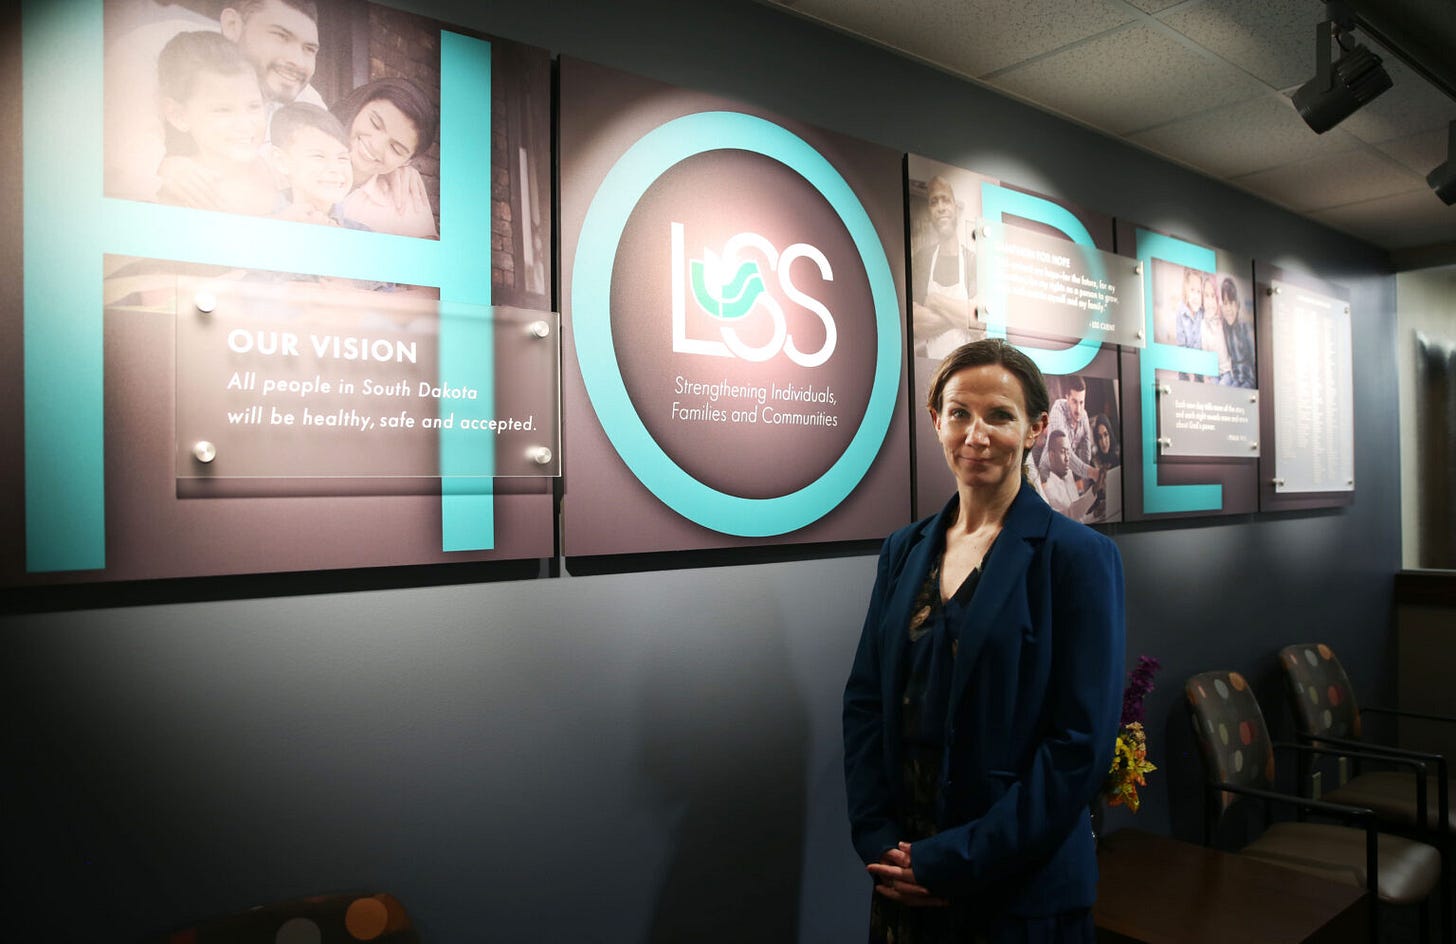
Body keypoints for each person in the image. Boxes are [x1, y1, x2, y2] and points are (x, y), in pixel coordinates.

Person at [844, 338, 1125, 944]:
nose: (976, 434)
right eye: (959, 413)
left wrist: (960, 859)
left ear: (1035, 428)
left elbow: (1078, 746)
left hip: (1017, 887)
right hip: (904, 875)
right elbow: (866, 703)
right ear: (936, 421)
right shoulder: (904, 551)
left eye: (1000, 415)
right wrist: (876, 840)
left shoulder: (1078, 559)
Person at [105, 0, 324, 206]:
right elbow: (132, 178)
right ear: (232, 25)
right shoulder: (148, 52)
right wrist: (162, 168)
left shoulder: (301, 95)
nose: (297, 60)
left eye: (309, 49)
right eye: (280, 36)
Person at [155, 31, 276, 216]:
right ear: (178, 115)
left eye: (254, 106)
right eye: (223, 110)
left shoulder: (284, 166)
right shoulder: (180, 193)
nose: (244, 125)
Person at [330, 78, 440, 239]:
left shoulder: (407, 205)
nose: (376, 145)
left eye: (396, 149)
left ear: (407, 162)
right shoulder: (299, 147)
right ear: (360, 106)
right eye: (375, 123)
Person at [913, 176, 980, 359]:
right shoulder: (922, 260)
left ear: (956, 209)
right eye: (934, 202)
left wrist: (934, 301)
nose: (941, 207)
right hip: (931, 369)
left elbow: (978, 320)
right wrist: (961, 317)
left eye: (946, 200)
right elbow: (915, 324)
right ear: (929, 212)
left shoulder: (973, 261)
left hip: (968, 365)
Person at [268, 103, 359, 227]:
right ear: (281, 161)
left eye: (342, 158)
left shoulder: (364, 235)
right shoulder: (257, 223)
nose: (334, 168)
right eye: (319, 156)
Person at [1038, 375, 1096, 484]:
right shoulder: (1058, 409)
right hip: (1047, 478)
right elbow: (1064, 448)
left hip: (1066, 477)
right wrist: (1091, 472)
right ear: (1067, 398)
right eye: (1074, 401)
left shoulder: (1084, 416)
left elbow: (1086, 454)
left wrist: (1088, 483)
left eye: (1081, 402)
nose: (1078, 410)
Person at [1041, 430, 1097, 523]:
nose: (1067, 458)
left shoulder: (1069, 476)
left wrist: (1095, 515)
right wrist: (1094, 490)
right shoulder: (1048, 489)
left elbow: (1079, 521)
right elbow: (1069, 516)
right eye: (1063, 452)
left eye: (1068, 452)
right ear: (1051, 455)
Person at [1216, 279, 1256, 388]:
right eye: (1225, 304)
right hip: (1236, 380)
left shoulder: (1245, 327)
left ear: (1237, 305)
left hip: (1249, 380)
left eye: (1231, 303)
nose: (1228, 309)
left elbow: (1254, 360)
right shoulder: (1224, 327)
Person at [1199, 274, 1231, 384]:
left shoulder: (1223, 320)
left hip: (1227, 372)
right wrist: (1206, 377)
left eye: (1213, 296)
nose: (1209, 301)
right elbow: (1205, 351)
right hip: (1213, 374)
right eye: (1206, 296)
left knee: (1221, 388)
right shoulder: (1203, 324)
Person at [1173, 267, 1204, 382]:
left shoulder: (1201, 311)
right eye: (1192, 290)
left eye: (1198, 291)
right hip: (1184, 355)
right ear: (1186, 290)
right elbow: (1180, 341)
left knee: (1199, 380)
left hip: (1199, 357)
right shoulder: (1181, 310)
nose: (1196, 295)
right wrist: (1187, 365)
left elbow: (1201, 341)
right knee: (1183, 376)